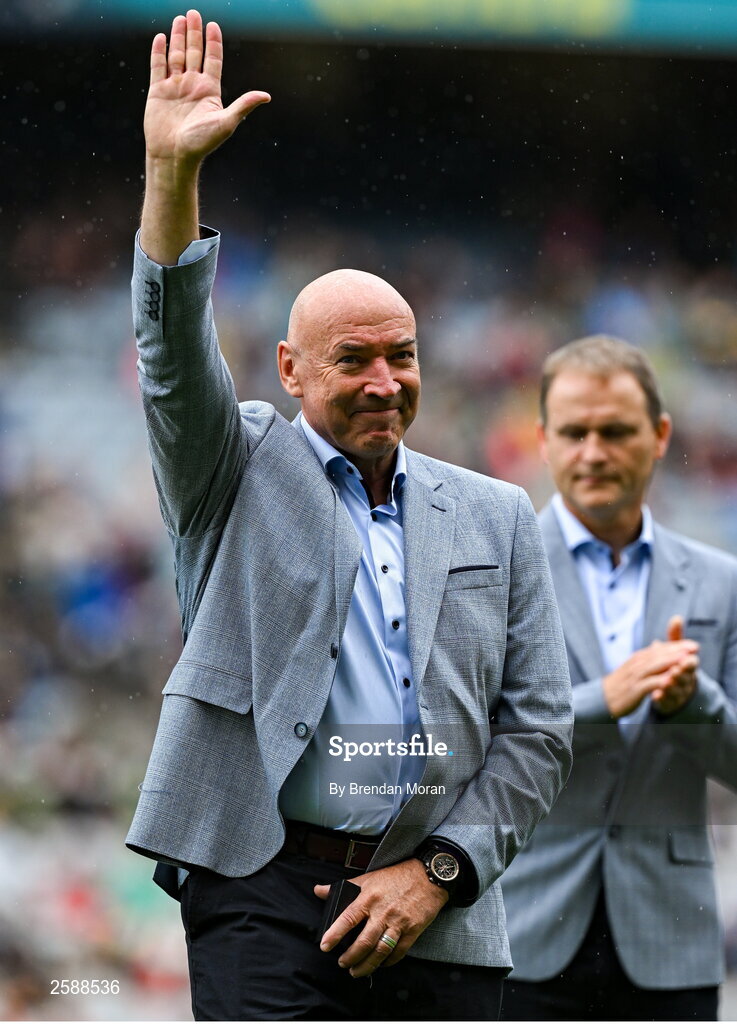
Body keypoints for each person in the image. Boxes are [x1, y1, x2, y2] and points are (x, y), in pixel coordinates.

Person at [125, 10, 573, 1021]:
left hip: (441, 901)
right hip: (260, 888)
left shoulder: (497, 515)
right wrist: (171, 175)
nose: (383, 380)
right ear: (288, 370)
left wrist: (440, 873)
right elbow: (167, 359)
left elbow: (539, 731)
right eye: (352, 359)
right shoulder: (230, 466)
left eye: (400, 353)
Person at [500, 335, 737, 1021]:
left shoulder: (722, 584)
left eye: (615, 431)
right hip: (523, 930)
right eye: (574, 432)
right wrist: (601, 701)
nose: (593, 452)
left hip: (669, 937)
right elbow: (465, 740)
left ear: (659, 435)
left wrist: (696, 704)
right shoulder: (495, 569)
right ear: (542, 440)